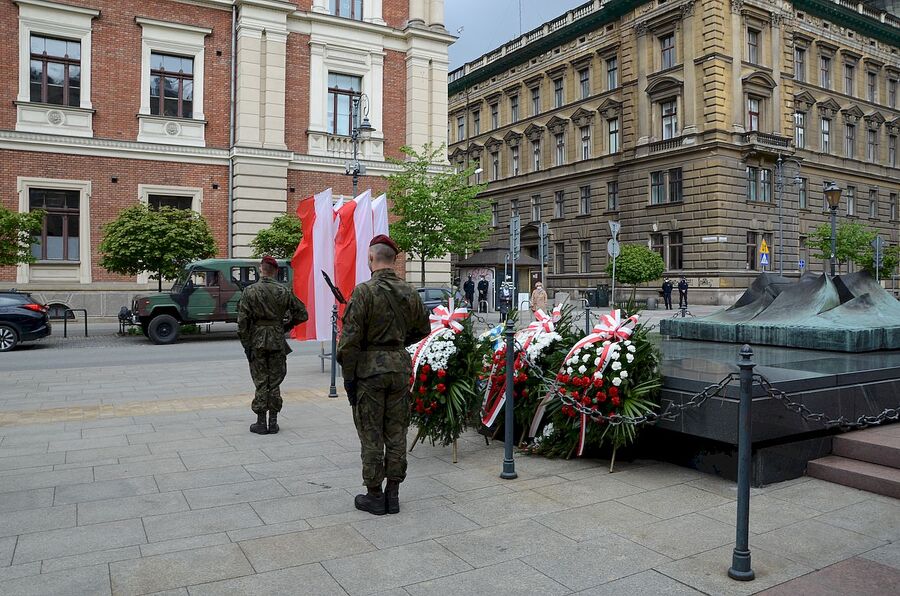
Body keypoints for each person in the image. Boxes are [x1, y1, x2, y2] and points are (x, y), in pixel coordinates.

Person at [337, 235, 431, 516]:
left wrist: (349, 378)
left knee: (371, 434)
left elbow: (349, 343)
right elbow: (423, 329)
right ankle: (394, 493)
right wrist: (397, 344)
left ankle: (375, 495)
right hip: (399, 369)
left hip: (370, 372)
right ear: (394, 259)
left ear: (371, 258)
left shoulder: (363, 292)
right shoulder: (410, 291)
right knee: (397, 432)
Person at [238, 256, 308, 435]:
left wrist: (247, 345)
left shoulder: (249, 291)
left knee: (261, 381)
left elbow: (242, 323)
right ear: (276, 271)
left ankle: (261, 422)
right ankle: (273, 422)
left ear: (260, 269)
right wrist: (285, 326)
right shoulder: (284, 291)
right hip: (277, 340)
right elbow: (302, 314)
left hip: (257, 341)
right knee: (275, 381)